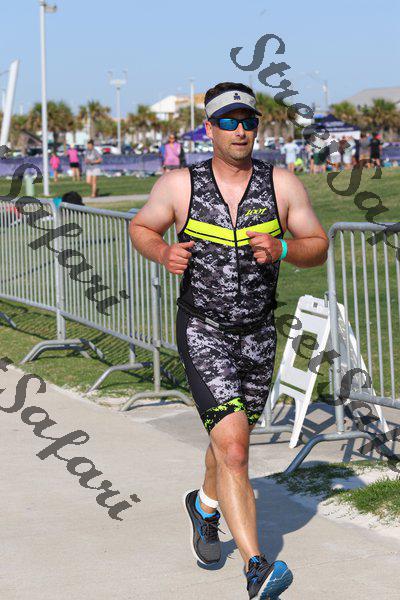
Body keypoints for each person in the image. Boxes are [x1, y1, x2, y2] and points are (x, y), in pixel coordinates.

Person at [129, 81, 328, 600]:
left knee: (227, 445)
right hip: (204, 330)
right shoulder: (180, 185)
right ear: (210, 128)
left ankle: (204, 507)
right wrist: (163, 253)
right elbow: (142, 227)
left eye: (248, 121)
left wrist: (284, 249)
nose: (240, 130)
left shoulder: (281, 184)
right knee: (236, 450)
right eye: (229, 121)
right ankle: (257, 568)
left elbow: (318, 245)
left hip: (258, 333)